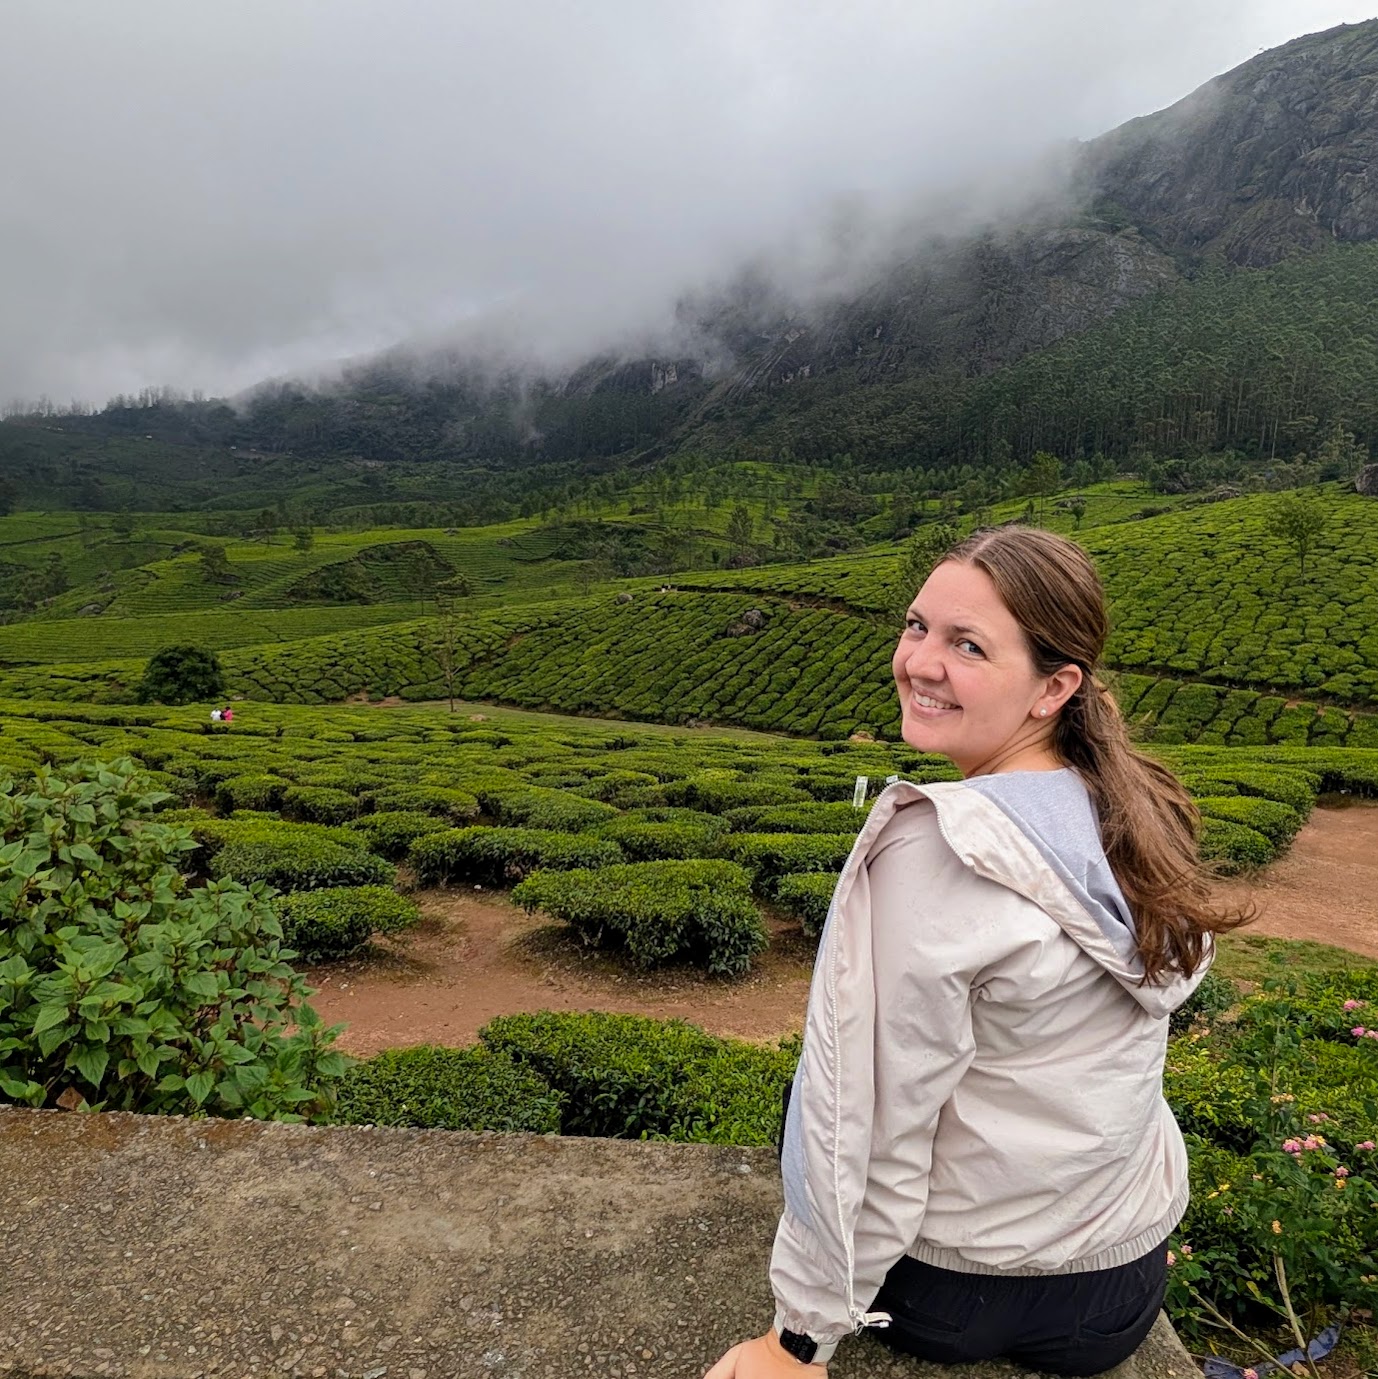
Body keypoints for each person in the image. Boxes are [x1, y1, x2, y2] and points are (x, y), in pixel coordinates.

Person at [705, 526, 1248, 1379]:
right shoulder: (1125, 815)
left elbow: (867, 1115)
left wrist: (797, 1340)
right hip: (1117, 1293)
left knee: (815, 1085)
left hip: (955, 1298)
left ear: (1053, 687)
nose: (920, 661)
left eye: (967, 645)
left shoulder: (938, 852)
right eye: (917, 626)